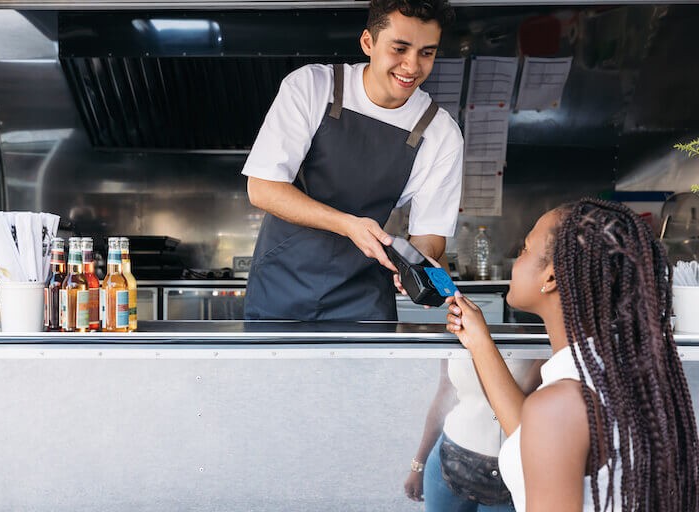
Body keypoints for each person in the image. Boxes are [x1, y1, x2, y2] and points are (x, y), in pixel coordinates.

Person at [445, 198, 699, 511]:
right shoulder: (618, 374)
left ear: (551, 278)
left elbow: (549, 423)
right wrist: (479, 342)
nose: (516, 259)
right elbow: (534, 439)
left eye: (524, 249)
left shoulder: (560, 404)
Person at [242, 0, 463, 321]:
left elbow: (429, 235)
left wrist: (423, 268)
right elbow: (262, 188)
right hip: (280, 287)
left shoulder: (440, 131)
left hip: (365, 298)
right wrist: (348, 225)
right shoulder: (313, 86)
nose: (412, 66)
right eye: (399, 49)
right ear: (368, 43)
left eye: (426, 53)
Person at [404, 359, 542, 511]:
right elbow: (444, 393)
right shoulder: (460, 335)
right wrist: (419, 464)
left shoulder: (540, 341)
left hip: (508, 474)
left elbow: (511, 405)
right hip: (447, 458)